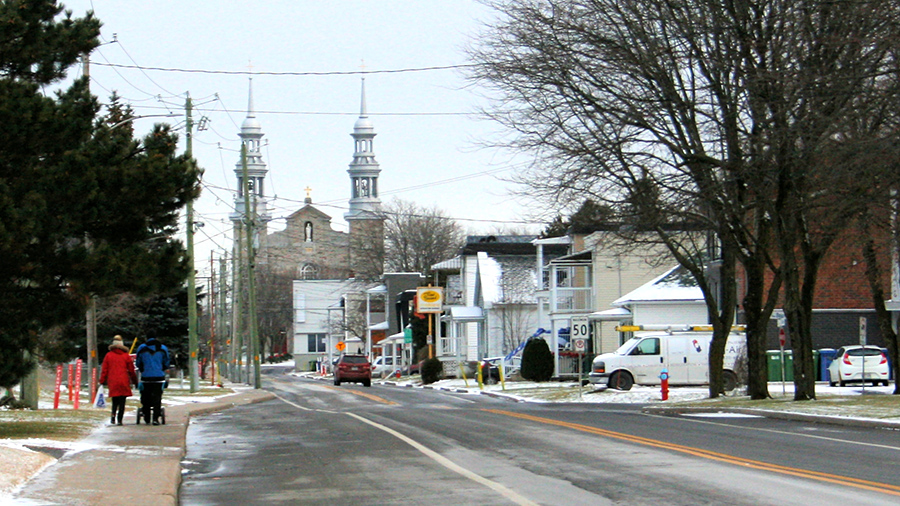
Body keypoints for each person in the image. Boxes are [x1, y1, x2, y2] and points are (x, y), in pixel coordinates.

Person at [99, 335, 138, 426]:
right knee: (122, 401)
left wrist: (101, 381)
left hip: (113, 381)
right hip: (124, 380)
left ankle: (113, 415)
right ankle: (120, 419)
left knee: (115, 400)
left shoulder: (108, 355)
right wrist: (135, 381)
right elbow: (131, 370)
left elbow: (104, 369)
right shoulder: (126, 356)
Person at [135, 336, 170, 425]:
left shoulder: (142, 348)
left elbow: (138, 362)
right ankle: (155, 418)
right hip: (159, 377)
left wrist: (143, 369)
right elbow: (166, 362)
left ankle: (146, 415)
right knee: (157, 397)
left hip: (146, 377)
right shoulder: (162, 348)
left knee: (145, 396)